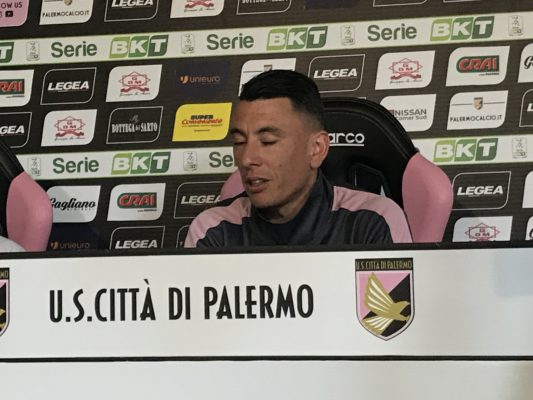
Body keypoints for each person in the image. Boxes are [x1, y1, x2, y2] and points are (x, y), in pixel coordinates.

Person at [184, 70, 412, 247]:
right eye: (239, 142)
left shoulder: (373, 221)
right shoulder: (213, 230)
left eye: (268, 141)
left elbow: (391, 297)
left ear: (317, 148)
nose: (247, 159)